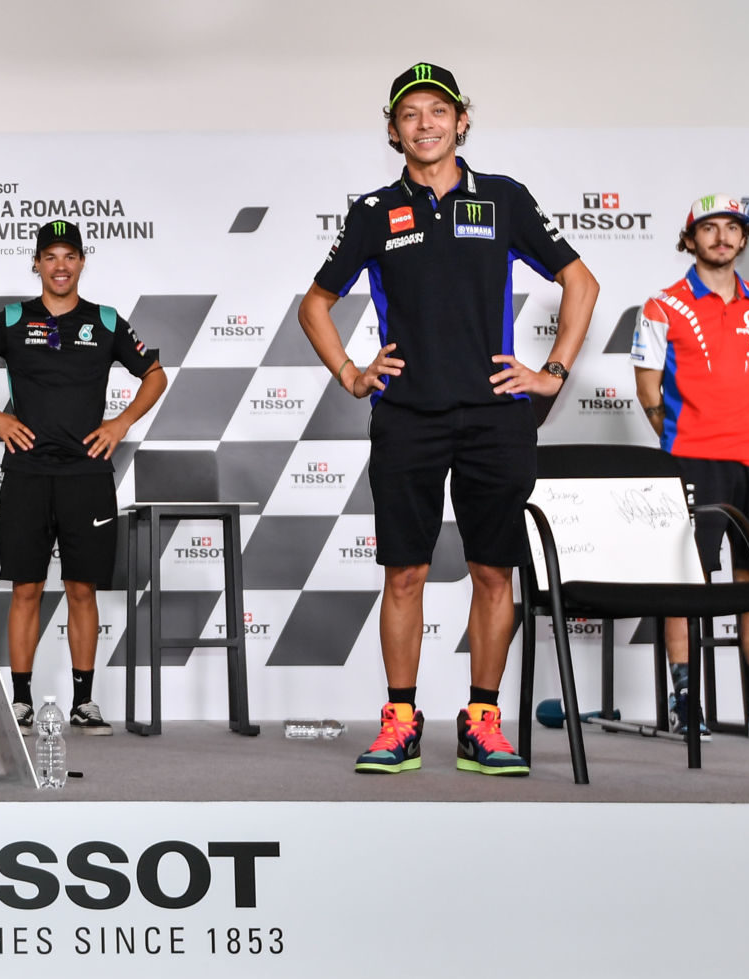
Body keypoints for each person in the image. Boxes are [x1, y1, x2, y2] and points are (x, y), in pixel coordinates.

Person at [298, 63, 599, 776]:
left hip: (496, 416)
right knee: (404, 572)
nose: (425, 123)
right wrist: (350, 371)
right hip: (406, 414)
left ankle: (482, 722)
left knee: (494, 571)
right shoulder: (374, 211)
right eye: (411, 114)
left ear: (462, 121)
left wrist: (549, 372)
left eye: (439, 111)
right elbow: (314, 305)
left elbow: (580, 282)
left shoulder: (504, 198)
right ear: (394, 128)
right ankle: (400, 719)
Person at [0, 220, 165, 736]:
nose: (60, 265)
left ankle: (84, 703)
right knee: (26, 588)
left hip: (87, 476)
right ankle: (20, 701)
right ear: (36, 264)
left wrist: (120, 423)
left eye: (70, 256)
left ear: (82, 262)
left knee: (81, 588)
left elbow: (155, 374)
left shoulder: (106, 321)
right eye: (51, 256)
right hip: (26, 474)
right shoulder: (13, 319)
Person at [632, 195, 749, 740]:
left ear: (744, 239)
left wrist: (746, 429)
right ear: (690, 239)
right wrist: (688, 435)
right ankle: (685, 703)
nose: (722, 236)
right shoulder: (663, 305)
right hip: (692, 458)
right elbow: (648, 390)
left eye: (732, 228)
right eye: (709, 228)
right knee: (688, 582)